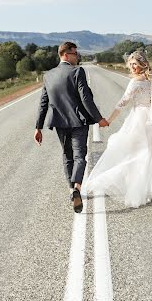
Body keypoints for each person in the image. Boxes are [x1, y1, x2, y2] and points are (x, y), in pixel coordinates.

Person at [83, 51, 152, 208]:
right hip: (151, 118)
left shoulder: (136, 82)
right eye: (131, 64)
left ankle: (141, 187)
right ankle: (149, 186)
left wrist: (108, 120)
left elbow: (122, 103)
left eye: (135, 63)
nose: (133, 67)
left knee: (139, 153)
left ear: (143, 64)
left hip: (141, 120)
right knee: (146, 152)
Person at [34, 41, 109, 213]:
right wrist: (99, 119)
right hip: (78, 122)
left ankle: (71, 190)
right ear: (65, 55)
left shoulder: (49, 75)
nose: (78, 57)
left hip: (60, 123)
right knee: (79, 156)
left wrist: (38, 127)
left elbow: (43, 103)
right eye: (75, 54)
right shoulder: (77, 71)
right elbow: (86, 99)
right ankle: (77, 187)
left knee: (67, 156)